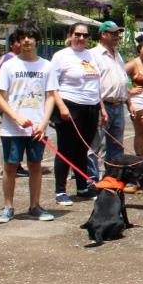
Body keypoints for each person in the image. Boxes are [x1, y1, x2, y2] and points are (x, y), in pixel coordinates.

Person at [0, 22, 58, 223]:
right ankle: (8, 207)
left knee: (35, 165)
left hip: (37, 129)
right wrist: (16, 117)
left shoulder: (46, 66)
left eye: (30, 36)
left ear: (36, 40)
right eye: (23, 37)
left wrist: (43, 122)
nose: (27, 40)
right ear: (18, 41)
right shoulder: (9, 66)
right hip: (12, 129)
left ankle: (35, 205)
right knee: (10, 166)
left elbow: (50, 97)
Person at [50, 23, 106, 206]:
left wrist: (101, 107)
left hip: (91, 107)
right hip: (70, 105)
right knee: (66, 150)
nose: (81, 38)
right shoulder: (61, 56)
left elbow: (96, 84)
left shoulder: (90, 55)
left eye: (85, 35)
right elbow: (52, 86)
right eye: (77, 34)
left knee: (83, 149)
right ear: (70, 35)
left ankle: (82, 187)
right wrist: (61, 107)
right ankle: (60, 191)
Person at [90, 20, 129, 166]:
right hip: (102, 106)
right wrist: (100, 108)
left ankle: (113, 180)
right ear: (103, 34)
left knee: (116, 146)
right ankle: (92, 181)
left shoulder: (117, 55)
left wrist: (128, 103)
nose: (117, 36)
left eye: (118, 33)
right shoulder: (93, 55)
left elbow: (122, 81)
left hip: (119, 105)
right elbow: (93, 84)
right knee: (95, 145)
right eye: (113, 33)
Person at [0, 32, 28, 177]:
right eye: (19, 41)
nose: (23, 44)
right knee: (10, 134)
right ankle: (9, 167)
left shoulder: (11, 58)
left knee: (17, 133)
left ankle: (16, 165)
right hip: (9, 103)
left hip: (14, 102)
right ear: (13, 43)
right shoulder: (9, 59)